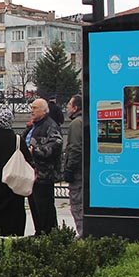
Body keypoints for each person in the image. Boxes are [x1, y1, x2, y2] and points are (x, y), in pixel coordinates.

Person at [22, 97, 62, 235]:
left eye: (35, 108)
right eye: (31, 107)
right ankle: (39, 232)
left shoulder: (50, 125)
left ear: (44, 111)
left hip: (44, 173)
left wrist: (36, 150)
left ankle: (49, 233)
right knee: (34, 205)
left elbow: (56, 144)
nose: (31, 110)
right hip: (32, 173)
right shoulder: (34, 125)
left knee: (45, 206)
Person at [61, 95, 85, 238]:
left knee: (77, 203)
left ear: (75, 108)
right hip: (82, 170)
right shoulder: (83, 121)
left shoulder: (76, 123)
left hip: (77, 172)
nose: (67, 108)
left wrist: (69, 168)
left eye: (69, 105)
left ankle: (82, 232)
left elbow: (75, 148)